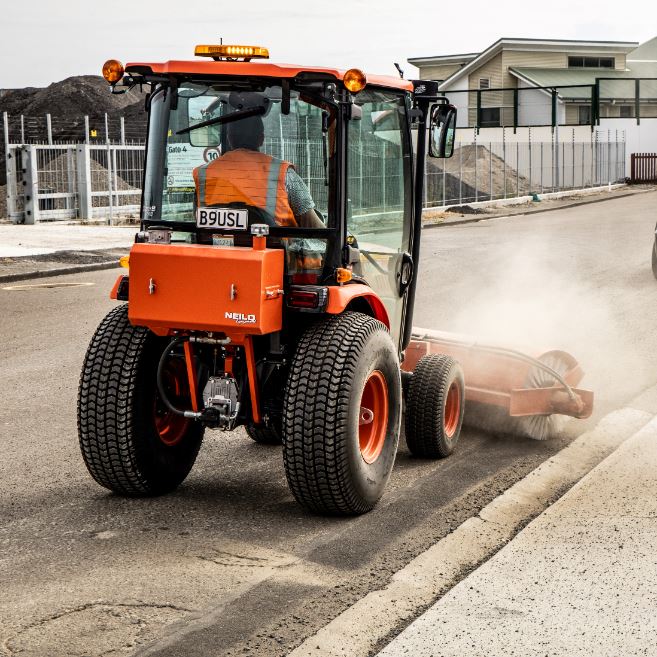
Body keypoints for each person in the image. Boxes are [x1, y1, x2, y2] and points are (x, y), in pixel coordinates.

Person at [193, 114, 324, 229]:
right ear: (261, 139)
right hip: (277, 255)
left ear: (229, 138)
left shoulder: (204, 173)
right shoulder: (283, 173)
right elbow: (311, 224)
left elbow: (198, 218)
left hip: (213, 254)